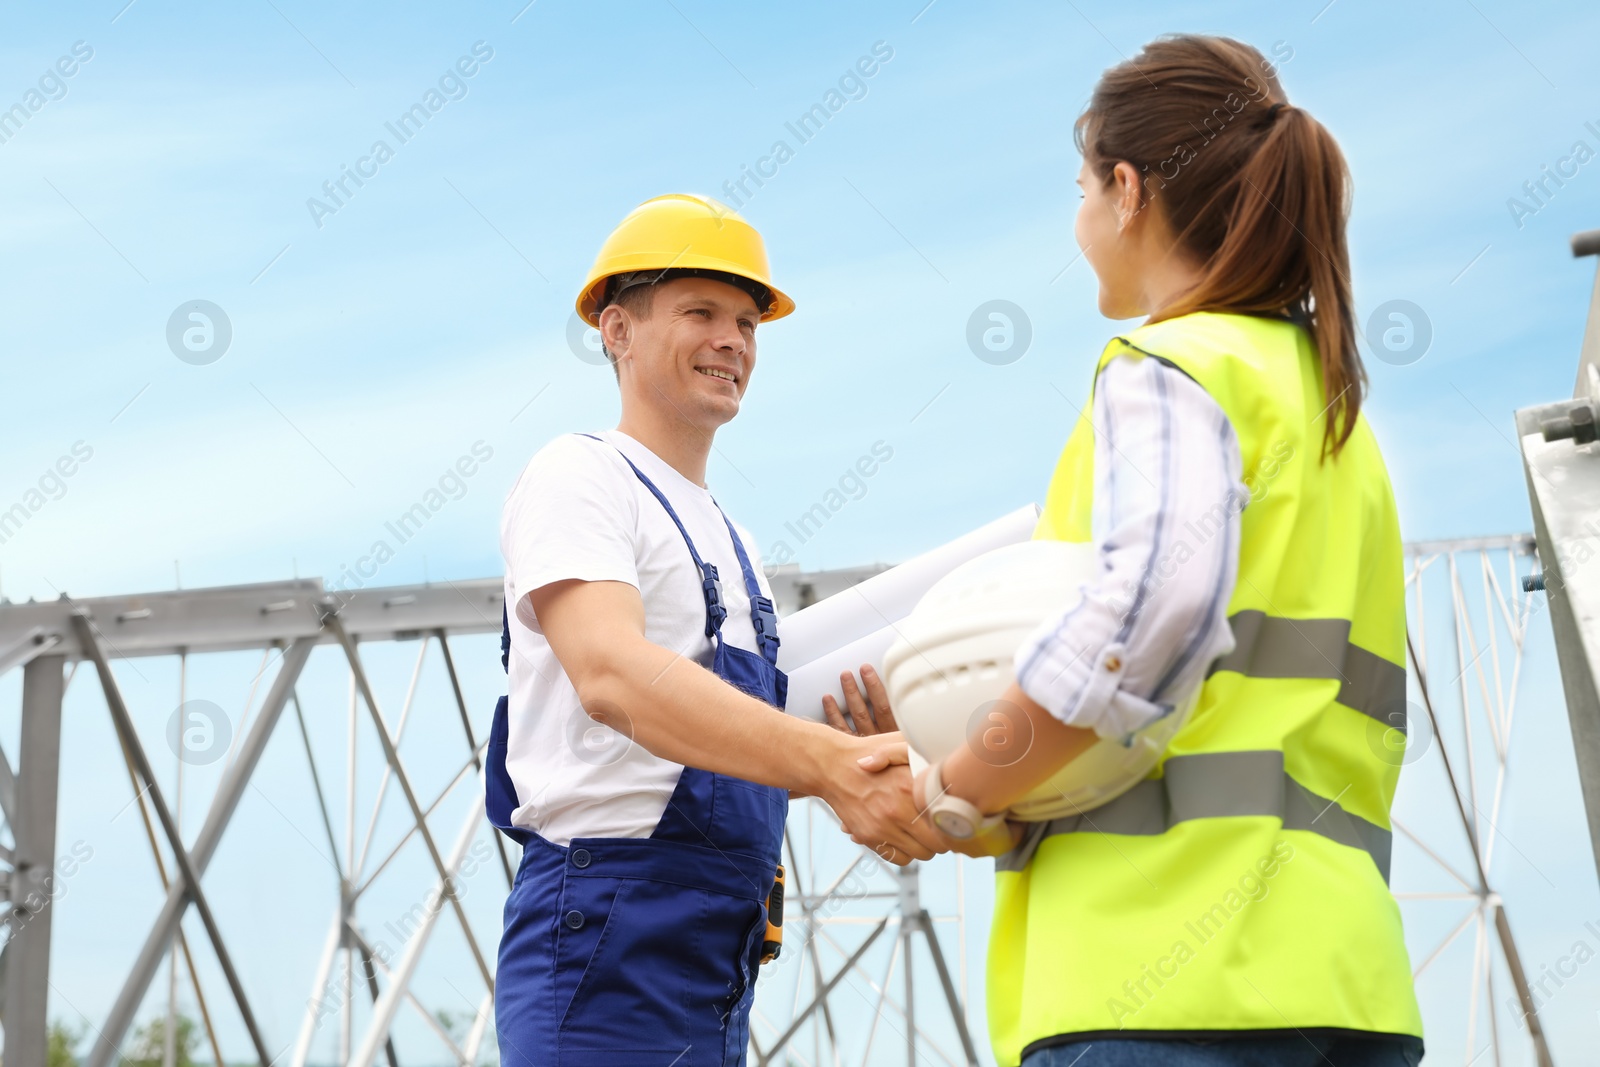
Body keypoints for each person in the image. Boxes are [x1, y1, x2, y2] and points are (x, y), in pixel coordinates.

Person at [871, 34, 1425, 1067]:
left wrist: (962, 782)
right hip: (1346, 987)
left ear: (1125, 189)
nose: (1078, 222)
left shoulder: (1166, 367)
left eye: (1080, 189)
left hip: (1157, 986)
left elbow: (1149, 615)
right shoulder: (1332, 414)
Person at [485, 193, 940, 1067]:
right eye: (700, 311)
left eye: (746, 321)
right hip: (607, 933)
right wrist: (830, 765)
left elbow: (722, 742)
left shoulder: (735, 541)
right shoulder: (579, 474)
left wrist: (864, 741)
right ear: (615, 330)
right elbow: (613, 674)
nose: (733, 340)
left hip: (717, 955)